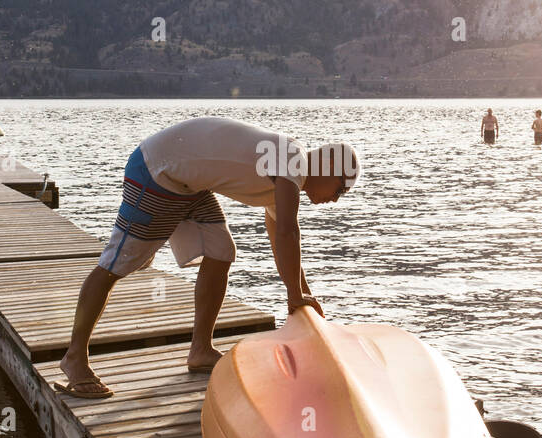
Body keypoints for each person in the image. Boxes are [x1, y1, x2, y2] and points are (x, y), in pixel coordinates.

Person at [57, 116, 361, 396]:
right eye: (340, 189)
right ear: (329, 163)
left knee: (221, 252)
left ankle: (200, 350)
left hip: (188, 183)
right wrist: (295, 295)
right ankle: (74, 359)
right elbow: (287, 233)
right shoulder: (293, 160)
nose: (335, 199)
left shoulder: (287, 172)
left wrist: (302, 295)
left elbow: (280, 240)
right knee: (115, 265)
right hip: (156, 171)